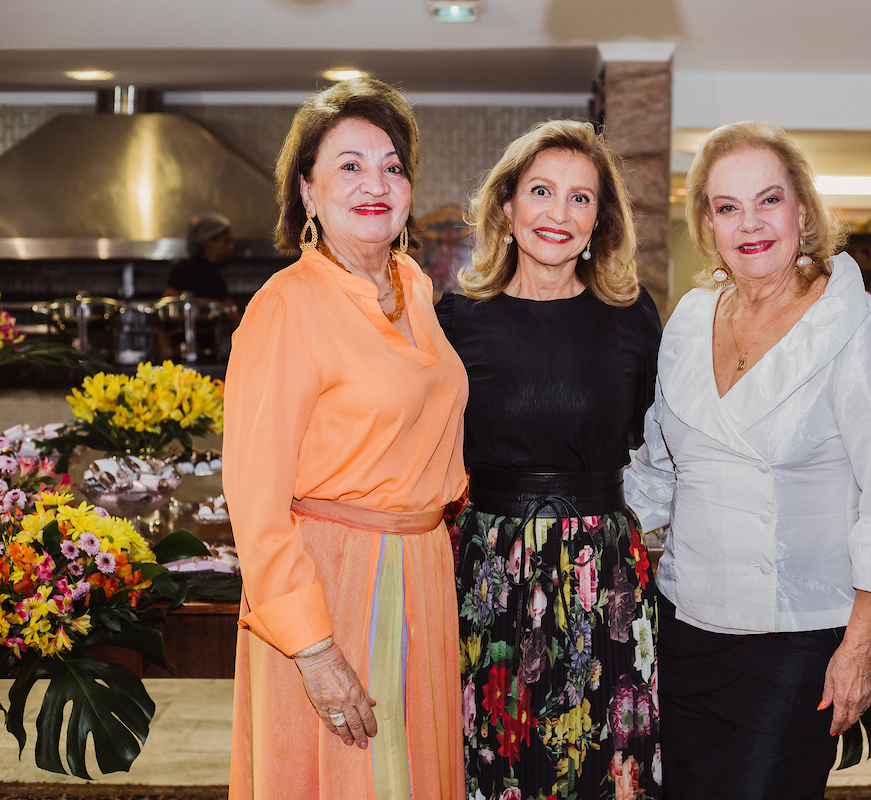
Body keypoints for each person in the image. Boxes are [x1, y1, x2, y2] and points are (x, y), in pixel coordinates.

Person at [623, 121, 871, 799]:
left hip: (795, 640)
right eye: (727, 207)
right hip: (686, 627)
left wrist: (859, 651)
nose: (750, 224)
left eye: (768, 200)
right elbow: (659, 466)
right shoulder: (689, 318)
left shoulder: (859, 332)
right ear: (707, 223)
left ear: (802, 207)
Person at [224, 77, 467, 800]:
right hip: (331, 584)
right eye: (350, 165)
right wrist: (315, 648)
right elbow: (256, 502)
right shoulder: (285, 307)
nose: (377, 183)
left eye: (393, 166)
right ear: (307, 191)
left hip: (422, 569)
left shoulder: (414, 285)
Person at [436, 120, 663, 800]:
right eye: (541, 191)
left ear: (600, 220)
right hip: (489, 567)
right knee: (495, 761)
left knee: (603, 763)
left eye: (580, 199)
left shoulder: (632, 317)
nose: (558, 214)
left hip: (605, 573)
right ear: (506, 207)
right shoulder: (456, 318)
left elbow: (661, 446)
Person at [164, 212, 236, 303]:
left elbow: (231, 312)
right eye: (226, 241)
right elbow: (168, 304)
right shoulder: (184, 270)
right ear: (209, 241)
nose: (230, 247)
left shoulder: (215, 277)